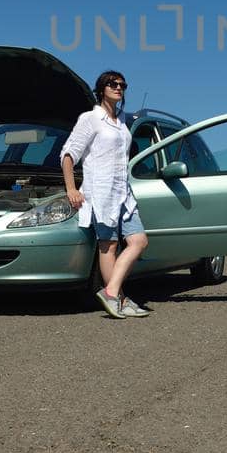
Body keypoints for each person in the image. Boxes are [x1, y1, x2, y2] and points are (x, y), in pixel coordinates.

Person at [60, 70, 150, 319]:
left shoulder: (122, 121)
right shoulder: (90, 118)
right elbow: (68, 155)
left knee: (139, 241)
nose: (119, 87)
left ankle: (111, 292)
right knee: (108, 246)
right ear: (101, 89)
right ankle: (118, 299)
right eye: (113, 84)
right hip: (101, 192)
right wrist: (71, 188)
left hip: (124, 192)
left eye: (123, 84)